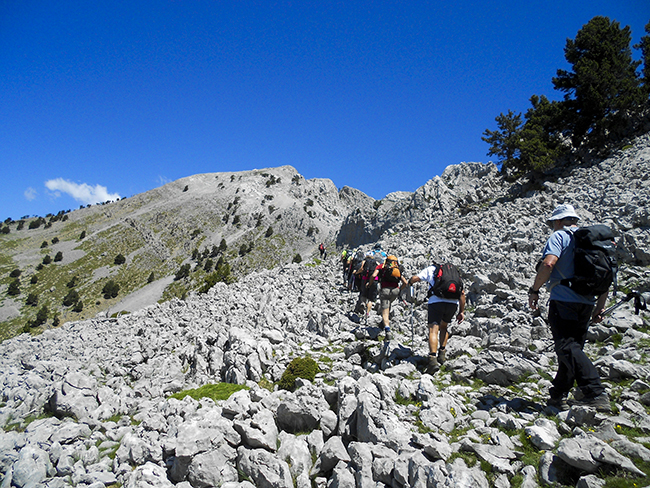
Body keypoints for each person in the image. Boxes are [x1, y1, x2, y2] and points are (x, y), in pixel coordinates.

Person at [529, 203, 611, 412]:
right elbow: (605, 275)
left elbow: (548, 264)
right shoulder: (592, 242)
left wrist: (535, 289)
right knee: (572, 348)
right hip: (587, 301)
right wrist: (599, 307)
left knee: (566, 346)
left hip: (563, 299)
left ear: (558, 221)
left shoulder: (560, 236)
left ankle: (595, 392)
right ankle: (558, 395)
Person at [405, 263, 465, 373]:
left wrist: (409, 282)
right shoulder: (454, 273)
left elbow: (416, 278)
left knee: (433, 329)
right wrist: (461, 311)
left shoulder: (432, 269)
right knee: (444, 327)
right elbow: (462, 293)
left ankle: (432, 360)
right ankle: (442, 354)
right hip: (453, 303)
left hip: (436, 301)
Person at [371, 255, 408, 340]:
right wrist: (399, 290)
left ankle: (387, 330)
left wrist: (370, 284)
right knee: (388, 305)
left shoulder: (382, 266)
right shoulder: (398, 268)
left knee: (385, 311)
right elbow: (405, 282)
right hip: (395, 291)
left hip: (385, 290)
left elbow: (373, 276)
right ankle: (382, 324)